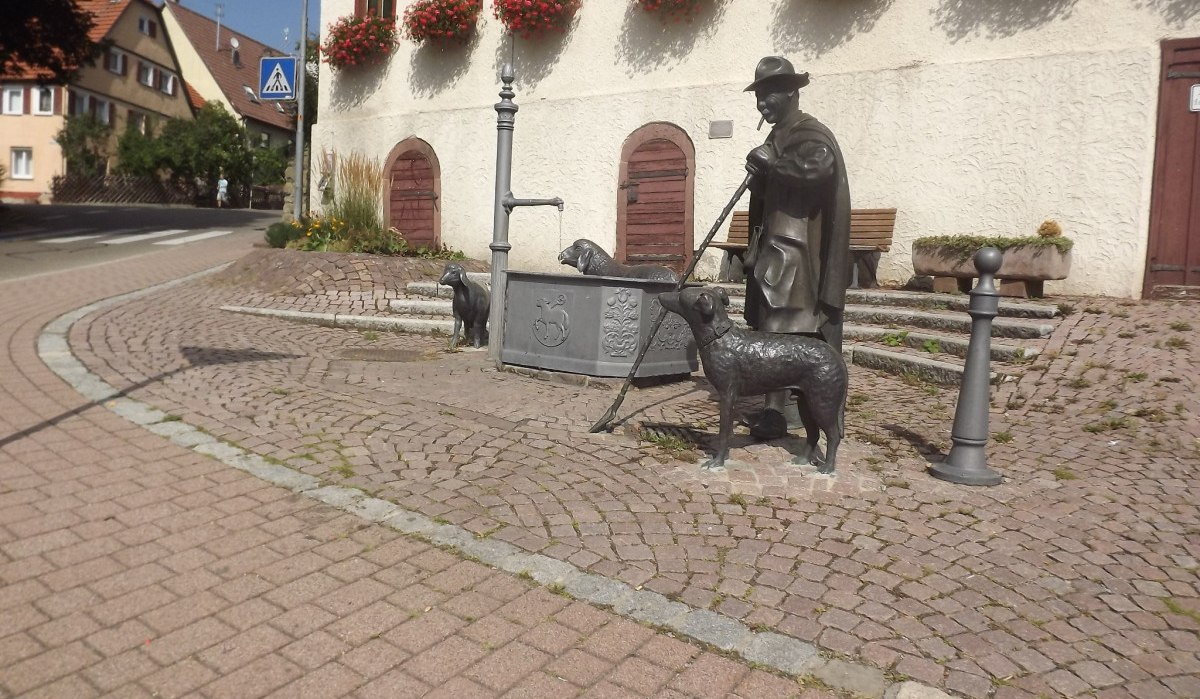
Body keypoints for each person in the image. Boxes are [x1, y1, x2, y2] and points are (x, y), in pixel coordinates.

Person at [742, 56, 851, 439]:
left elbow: (817, 170)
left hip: (796, 251)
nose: (761, 105)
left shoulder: (810, 134)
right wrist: (760, 176)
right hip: (774, 247)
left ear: (791, 92)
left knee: (787, 331)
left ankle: (807, 413)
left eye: (768, 96)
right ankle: (775, 410)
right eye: (758, 97)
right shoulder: (779, 136)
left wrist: (773, 166)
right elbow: (773, 189)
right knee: (772, 329)